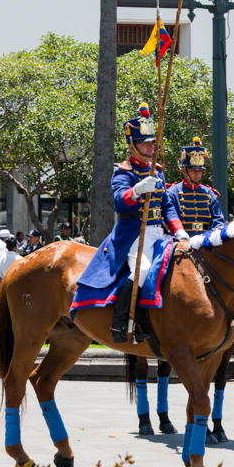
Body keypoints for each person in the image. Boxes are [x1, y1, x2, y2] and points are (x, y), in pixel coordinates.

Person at [72, 103, 188, 343]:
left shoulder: (157, 171)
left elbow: (166, 205)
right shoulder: (123, 172)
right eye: (145, 143)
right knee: (143, 269)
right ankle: (121, 322)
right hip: (134, 233)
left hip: (159, 233)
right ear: (132, 146)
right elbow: (119, 201)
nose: (151, 147)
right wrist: (137, 190)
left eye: (152, 142)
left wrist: (180, 231)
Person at [166, 137, 225, 238]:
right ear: (184, 171)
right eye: (194, 171)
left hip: (205, 242)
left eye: (200, 171)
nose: (198, 174)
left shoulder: (209, 194)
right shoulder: (172, 192)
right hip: (180, 241)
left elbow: (218, 221)